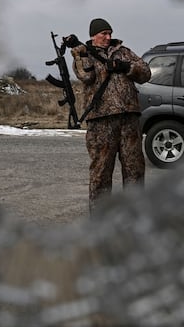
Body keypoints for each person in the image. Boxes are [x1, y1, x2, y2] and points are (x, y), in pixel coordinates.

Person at [64, 18, 151, 214]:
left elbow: (146, 73)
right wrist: (82, 52)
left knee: (135, 171)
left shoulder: (124, 51)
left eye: (109, 33)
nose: (108, 37)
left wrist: (126, 67)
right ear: (93, 35)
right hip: (101, 121)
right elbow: (86, 76)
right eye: (103, 33)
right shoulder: (82, 54)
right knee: (101, 173)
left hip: (129, 119)